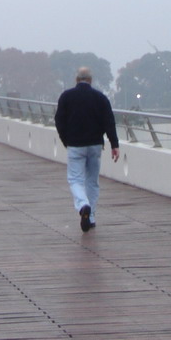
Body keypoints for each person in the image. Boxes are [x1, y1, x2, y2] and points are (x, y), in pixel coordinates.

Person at [54, 67, 119, 232]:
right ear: (90, 80)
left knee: (75, 179)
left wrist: (65, 140)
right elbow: (109, 122)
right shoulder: (100, 98)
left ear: (77, 80)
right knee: (92, 181)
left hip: (75, 145)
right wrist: (114, 144)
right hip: (95, 145)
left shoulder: (66, 97)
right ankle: (91, 217)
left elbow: (59, 121)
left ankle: (83, 205)